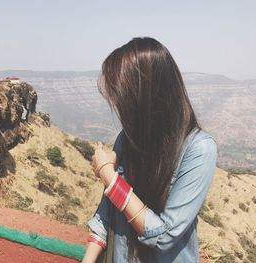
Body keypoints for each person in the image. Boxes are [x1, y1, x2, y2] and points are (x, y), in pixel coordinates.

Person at [82, 37, 217, 263]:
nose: (117, 105)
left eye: (122, 96)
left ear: (145, 96)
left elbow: (164, 236)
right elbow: (105, 217)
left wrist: (109, 177)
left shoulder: (199, 149)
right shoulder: (127, 140)